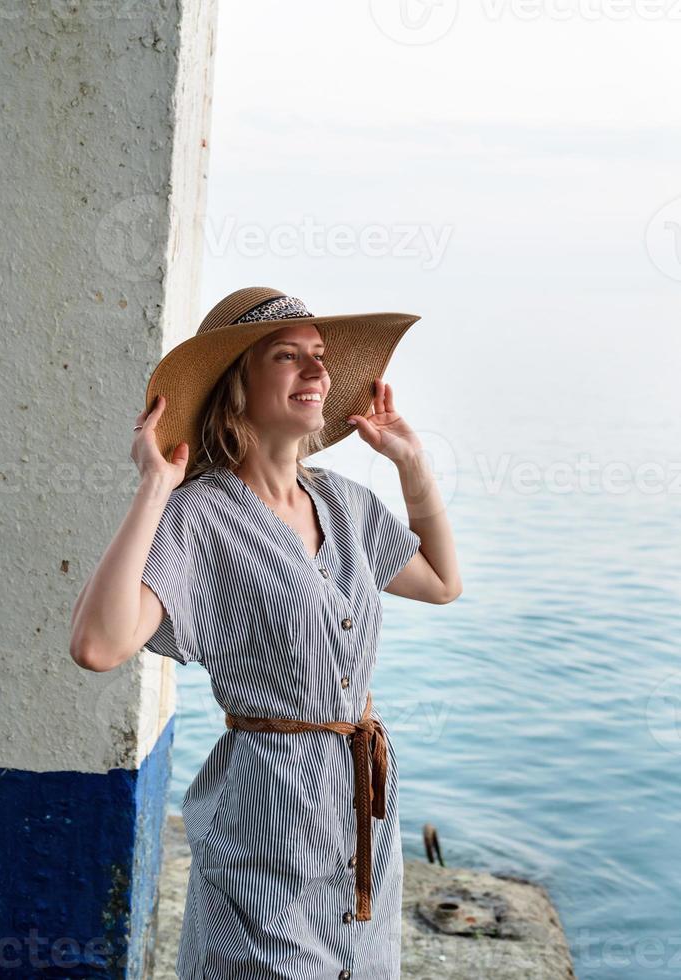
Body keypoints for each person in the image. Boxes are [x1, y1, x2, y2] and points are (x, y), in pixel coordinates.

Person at [70, 287, 462, 979]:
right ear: (237, 387)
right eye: (289, 356)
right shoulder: (200, 516)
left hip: (361, 811)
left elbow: (440, 581)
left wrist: (410, 462)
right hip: (266, 821)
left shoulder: (347, 503)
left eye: (320, 357)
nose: (318, 372)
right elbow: (98, 645)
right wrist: (154, 488)